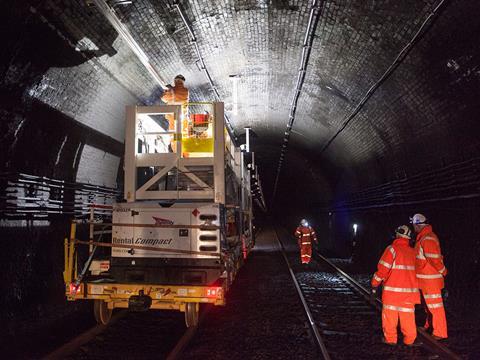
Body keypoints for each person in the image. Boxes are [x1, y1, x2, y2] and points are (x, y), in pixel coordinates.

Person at [371, 225, 420, 346]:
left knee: (390, 317)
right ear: (408, 238)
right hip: (409, 294)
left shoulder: (392, 249)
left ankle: (391, 340)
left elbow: (382, 270)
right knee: (408, 318)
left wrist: (374, 284)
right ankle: (409, 341)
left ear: (397, 235)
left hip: (392, 293)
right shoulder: (413, 252)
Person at [411, 213, 448, 340]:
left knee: (435, 306)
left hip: (430, 280)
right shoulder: (423, 238)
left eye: (414, 225)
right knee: (428, 306)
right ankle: (429, 325)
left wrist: (444, 271)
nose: (413, 227)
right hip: (425, 279)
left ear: (418, 224)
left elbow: (434, 259)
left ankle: (440, 332)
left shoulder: (427, 239)